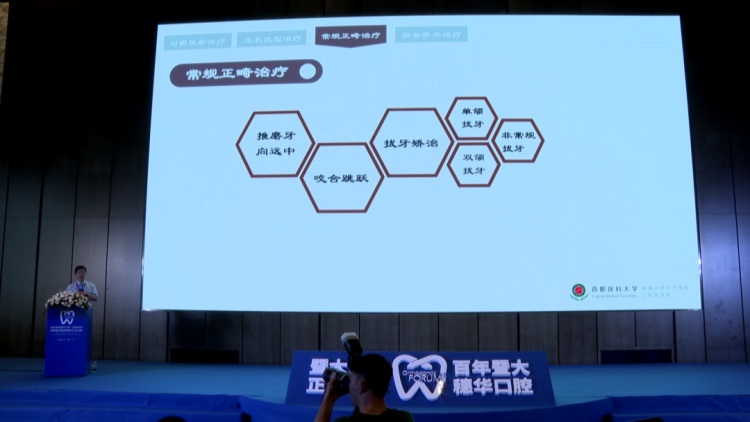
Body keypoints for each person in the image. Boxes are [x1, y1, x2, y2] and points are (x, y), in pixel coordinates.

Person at [314, 353, 415, 422]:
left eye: (351, 380)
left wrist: (328, 400)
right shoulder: (404, 418)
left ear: (361, 386)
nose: (349, 386)